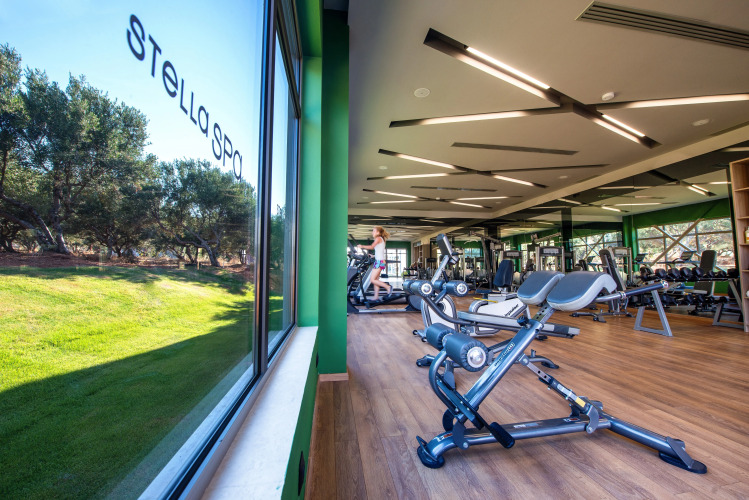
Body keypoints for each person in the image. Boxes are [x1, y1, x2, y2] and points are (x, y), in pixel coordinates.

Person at [356, 226, 392, 301]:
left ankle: (388, 287)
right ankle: (376, 296)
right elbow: (380, 251)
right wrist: (373, 256)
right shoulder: (381, 239)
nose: (372, 232)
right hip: (379, 261)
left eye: (374, 231)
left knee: (372, 280)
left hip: (379, 262)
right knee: (376, 280)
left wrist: (361, 246)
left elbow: (372, 247)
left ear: (378, 232)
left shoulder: (378, 238)